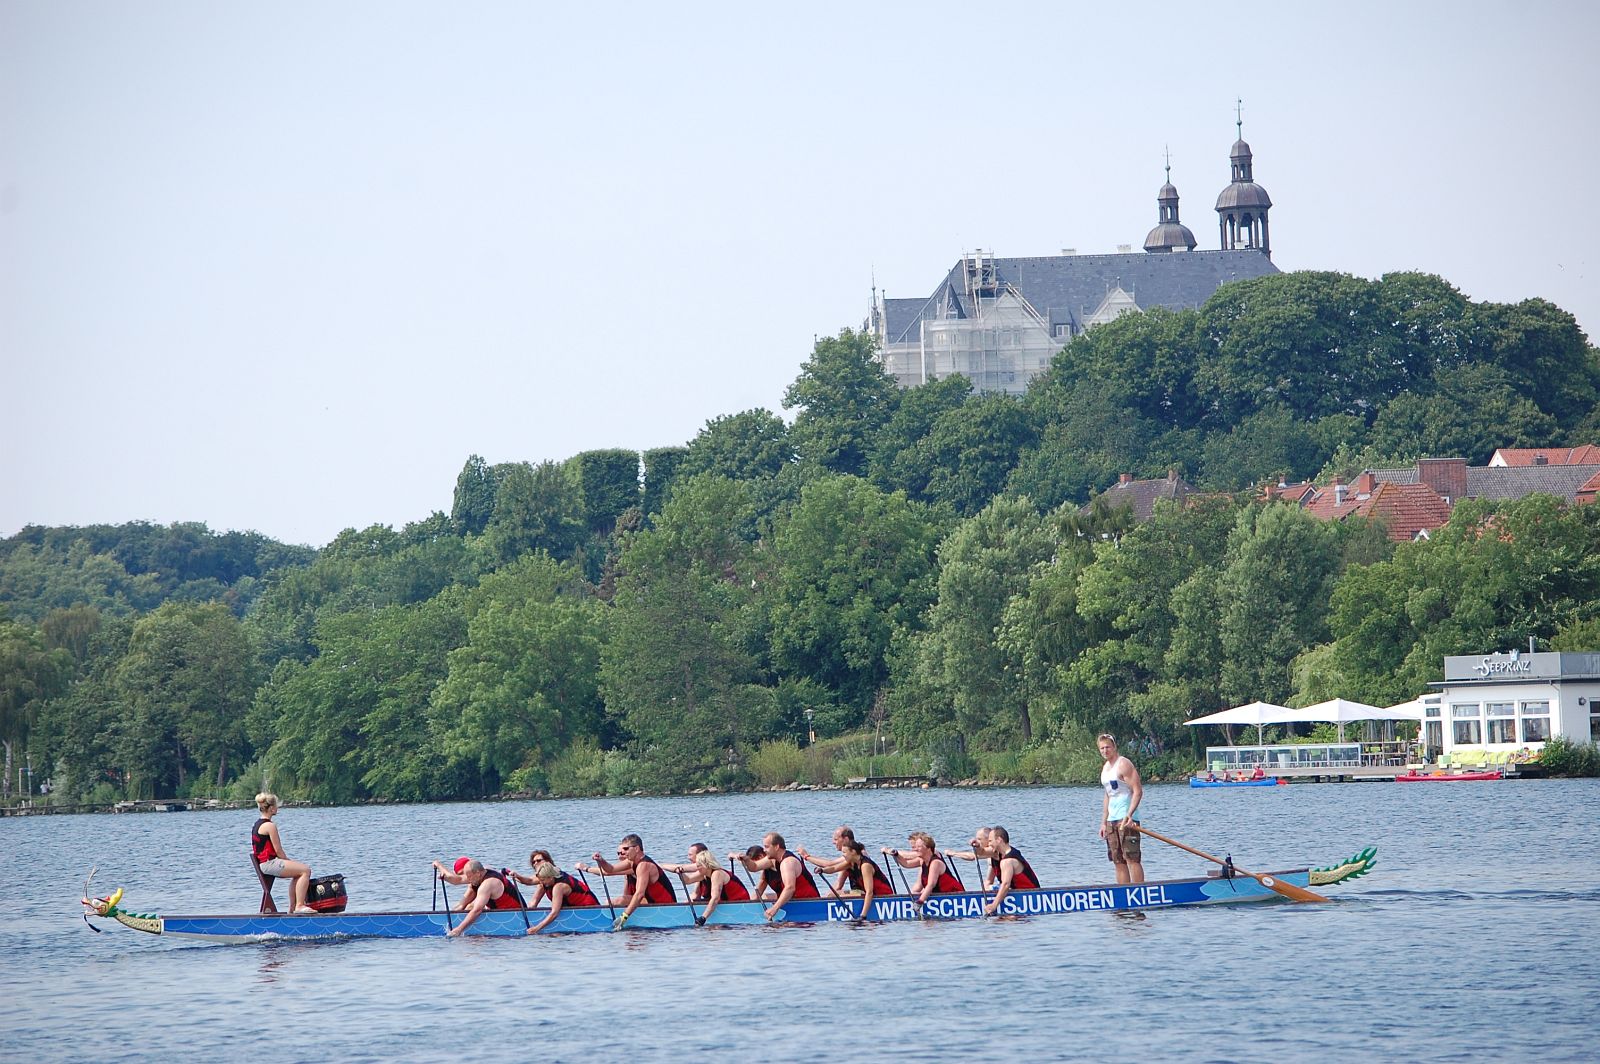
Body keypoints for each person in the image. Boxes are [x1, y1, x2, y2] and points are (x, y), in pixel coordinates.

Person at [579, 833, 674, 928]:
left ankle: (610, 922)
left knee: (618, 901)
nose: (623, 852)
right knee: (612, 902)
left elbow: (639, 894)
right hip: (650, 901)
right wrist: (601, 860)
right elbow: (611, 869)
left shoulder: (644, 865)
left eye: (626, 849)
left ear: (636, 849)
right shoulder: (631, 862)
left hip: (664, 905)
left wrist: (624, 917)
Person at [251, 792, 314, 914]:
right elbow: (278, 851)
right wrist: (288, 861)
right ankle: (299, 905)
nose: (277, 808)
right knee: (305, 870)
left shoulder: (257, 824)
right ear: (271, 808)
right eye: (276, 805)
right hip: (269, 863)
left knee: (298, 873)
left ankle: (293, 908)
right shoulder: (270, 826)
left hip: (266, 863)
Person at [734, 833, 820, 920]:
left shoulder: (788, 863)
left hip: (808, 903)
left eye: (767, 847)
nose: (764, 850)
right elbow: (754, 867)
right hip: (791, 903)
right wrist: (747, 860)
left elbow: (790, 888)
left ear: (776, 847)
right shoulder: (772, 860)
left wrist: (774, 908)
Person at [1098, 733, 1144, 884]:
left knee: (1132, 858)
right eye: (1102, 748)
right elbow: (1107, 795)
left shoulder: (1124, 764)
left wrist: (1129, 814)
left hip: (1127, 819)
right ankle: (1124, 892)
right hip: (1112, 819)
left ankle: (1139, 890)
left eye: (1108, 747)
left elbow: (1137, 791)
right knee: (1117, 860)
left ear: (1114, 747)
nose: (1105, 751)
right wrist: (1103, 822)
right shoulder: (1105, 768)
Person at [446, 859, 525, 937]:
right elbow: (457, 880)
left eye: (469, 877)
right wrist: (440, 868)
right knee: (469, 907)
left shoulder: (487, 884)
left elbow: (477, 911)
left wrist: (459, 929)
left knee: (473, 909)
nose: (468, 880)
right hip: (499, 914)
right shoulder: (483, 872)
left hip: (516, 915)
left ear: (478, 873)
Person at [884, 831, 963, 905]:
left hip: (955, 896)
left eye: (918, 847)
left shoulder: (935, 862)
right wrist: (896, 855)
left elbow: (930, 885)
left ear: (928, 848)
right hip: (940, 895)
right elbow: (906, 864)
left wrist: (920, 902)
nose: (915, 849)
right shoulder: (922, 860)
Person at [526, 862, 601, 934]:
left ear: (551, 877)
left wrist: (537, 928)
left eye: (543, 880)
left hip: (590, 909)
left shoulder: (559, 887)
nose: (541, 882)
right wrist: (519, 877)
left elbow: (554, 913)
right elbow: (529, 881)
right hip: (576, 909)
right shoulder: (551, 879)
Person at [983, 826, 1041, 915]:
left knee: (1008, 920)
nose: (989, 844)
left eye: (990, 841)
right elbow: (978, 854)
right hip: (1019, 892)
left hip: (1030, 894)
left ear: (999, 840)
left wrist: (994, 905)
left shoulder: (1007, 861)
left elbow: (1006, 884)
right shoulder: (1008, 853)